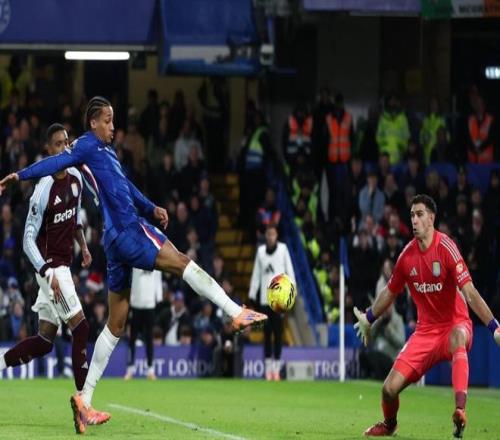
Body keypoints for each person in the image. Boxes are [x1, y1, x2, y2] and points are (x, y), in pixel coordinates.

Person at [0, 96, 267, 434]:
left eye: (113, 120)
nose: (113, 127)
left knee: (116, 323)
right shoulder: (85, 145)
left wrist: (151, 207)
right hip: (128, 231)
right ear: (93, 122)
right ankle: (235, 312)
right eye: (107, 121)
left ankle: (84, 400)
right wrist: (20, 175)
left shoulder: (104, 152)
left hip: (114, 241)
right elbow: (53, 163)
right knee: (182, 262)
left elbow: (124, 186)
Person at [354, 194, 500, 438]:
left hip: (455, 324)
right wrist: (368, 318)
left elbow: (470, 293)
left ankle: (460, 411)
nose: (414, 220)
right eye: (412, 215)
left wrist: (494, 326)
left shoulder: (446, 248)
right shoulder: (406, 257)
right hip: (424, 333)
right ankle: (390, 425)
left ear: (431, 218)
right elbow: (390, 292)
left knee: (457, 337)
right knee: (388, 390)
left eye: (420, 214)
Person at [0, 123, 110, 424]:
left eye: (67, 142)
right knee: (82, 329)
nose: (64, 148)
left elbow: (74, 219)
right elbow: (27, 240)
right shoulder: (42, 189)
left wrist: (83, 246)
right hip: (51, 268)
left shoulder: (75, 177)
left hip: (63, 266)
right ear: (49, 150)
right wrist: (47, 273)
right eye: (58, 144)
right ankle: (84, 404)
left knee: (45, 341)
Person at [248, 224, 295, 381]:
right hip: (264, 299)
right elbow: (256, 274)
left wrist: (292, 291)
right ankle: (268, 370)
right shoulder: (261, 252)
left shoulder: (283, 249)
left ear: (277, 236)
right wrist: (252, 294)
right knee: (267, 334)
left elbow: (290, 270)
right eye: (268, 234)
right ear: (266, 236)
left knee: (278, 334)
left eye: (273, 234)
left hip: (279, 300)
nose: (270, 237)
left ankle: (276, 369)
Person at [124, 268, 162, 381]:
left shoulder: (155, 262)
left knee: (149, 338)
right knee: (132, 338)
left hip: (150, 304)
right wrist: (129, 298)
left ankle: (150, 370)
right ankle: (130, 369)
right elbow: (129, 278)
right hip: (136, 303)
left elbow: (158, 279)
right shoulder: (134, 262)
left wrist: (158, 298)